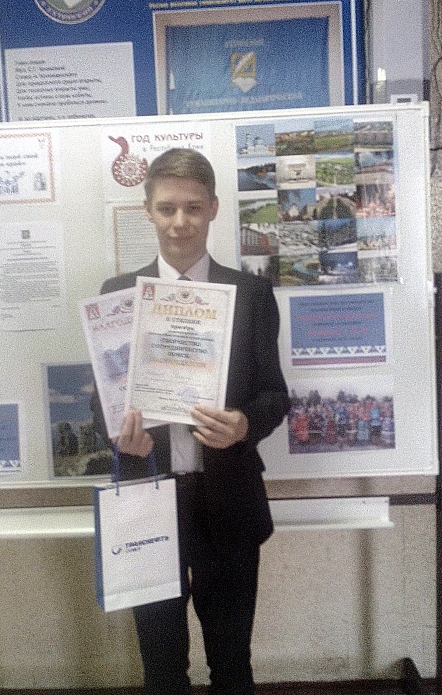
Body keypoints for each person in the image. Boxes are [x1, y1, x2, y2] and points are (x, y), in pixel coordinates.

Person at [92, 148, 290, 695]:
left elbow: (275, 395)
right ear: (148, 211)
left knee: (231, 663)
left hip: (226, 497)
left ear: (214, 209)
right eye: (167, 208)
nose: (180, 221)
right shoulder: (118, 295)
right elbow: (101, 401)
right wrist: (121, 438)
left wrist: (244, 424)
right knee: (161, 666)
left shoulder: (250, 294)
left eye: (193, 208)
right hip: (148, 496)